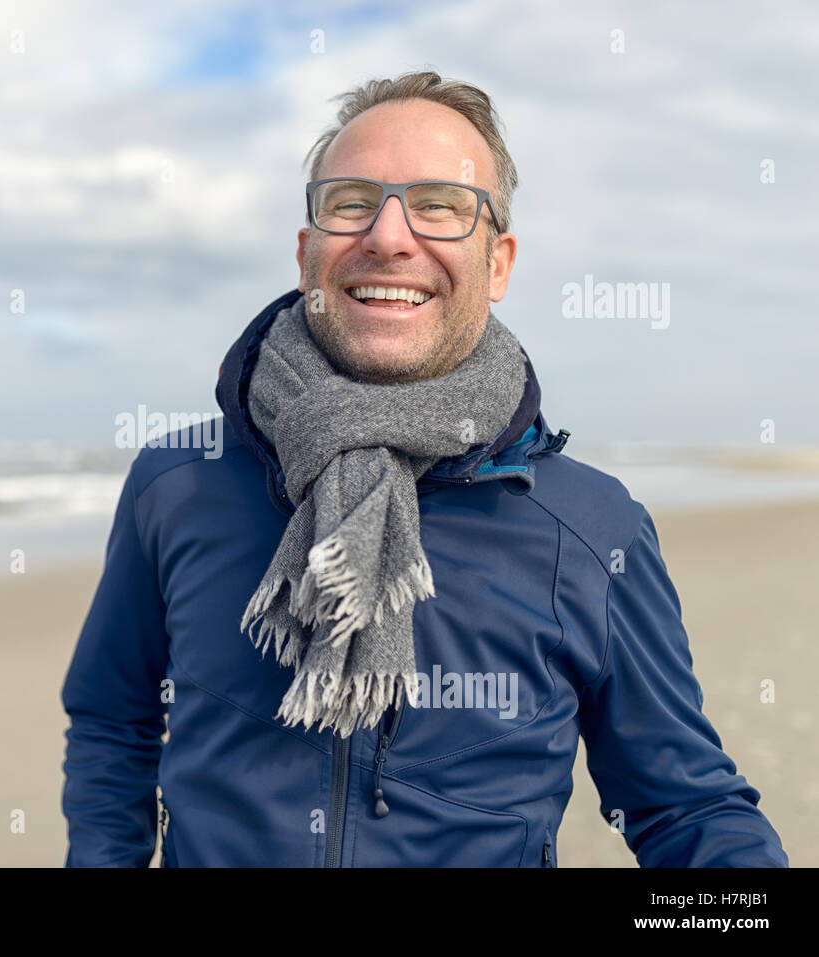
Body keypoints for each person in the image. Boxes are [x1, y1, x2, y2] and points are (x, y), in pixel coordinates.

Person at [59, 71, 788, 867]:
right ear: (308, 254)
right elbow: (113, 717)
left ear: (498, 263)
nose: (389, 235)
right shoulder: (177, 483)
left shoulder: (589, 529)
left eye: (440, 204)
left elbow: (684, 810)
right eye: (351, 202)